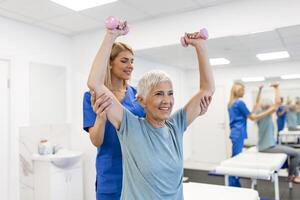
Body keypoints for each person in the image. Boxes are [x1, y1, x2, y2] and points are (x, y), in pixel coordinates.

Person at [87, 22, 215, 199]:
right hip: (113, 177)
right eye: (159, 94)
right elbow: (95, 83)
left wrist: (201, 47)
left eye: (170, 94)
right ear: (140, 101)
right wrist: (110, 36)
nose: (167, 101)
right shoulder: (130, 126)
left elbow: (207, 90)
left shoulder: (175, 125)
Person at [83, 40, 145, 199]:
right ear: (109, 64)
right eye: (124, 61)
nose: (130, 65)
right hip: (110, 176)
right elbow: (96, 141)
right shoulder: (92, 96)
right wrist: (101, 117)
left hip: (139, 174)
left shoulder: (139, 96)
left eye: (132, 61)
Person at [227, 83, 278, 187]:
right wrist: (269, 111)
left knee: (235, 156)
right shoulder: (239, 103)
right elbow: (253, 117)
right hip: (238, 132)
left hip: (236, 132)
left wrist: (259, 91)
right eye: (243, 90)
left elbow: (254, 109)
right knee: (235, 158)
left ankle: (234, 181)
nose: (244, 92)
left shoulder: (232, 103)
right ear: (238, 91)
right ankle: (233, 183)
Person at [255, 84, 300, 184]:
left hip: (269, 145)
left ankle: (295, 174)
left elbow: (257, 103)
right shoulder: (265, 114)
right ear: (268, 106)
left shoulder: (259, 113)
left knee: (292, 152)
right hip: (267, 147)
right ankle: (291, 176)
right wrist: (277, 88)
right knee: (297, 154)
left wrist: (260, 90)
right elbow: (278, 102)